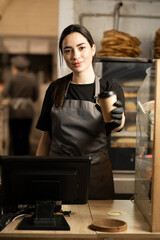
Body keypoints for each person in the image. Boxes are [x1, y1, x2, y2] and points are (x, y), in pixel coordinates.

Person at [36, 24, 125, 200]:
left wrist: (118, 117)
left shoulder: (109, 89)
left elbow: (117, 126)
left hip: (96, 174)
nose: (75, 56)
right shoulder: (55, 88)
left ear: (92, 49)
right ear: (63, 54)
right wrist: (38, 174)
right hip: (58, 173)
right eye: (68, 50)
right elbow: (46, 138)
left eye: (81, 48)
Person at [2, 55, 39, 155]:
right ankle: (25, 159)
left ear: (14, 67)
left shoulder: (12, 79)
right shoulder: (33, 78)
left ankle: (15, 160)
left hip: (14, 111)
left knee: (15, 137)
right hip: (28, 111)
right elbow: (35, 97)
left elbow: (4, 94)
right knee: (25, 137)